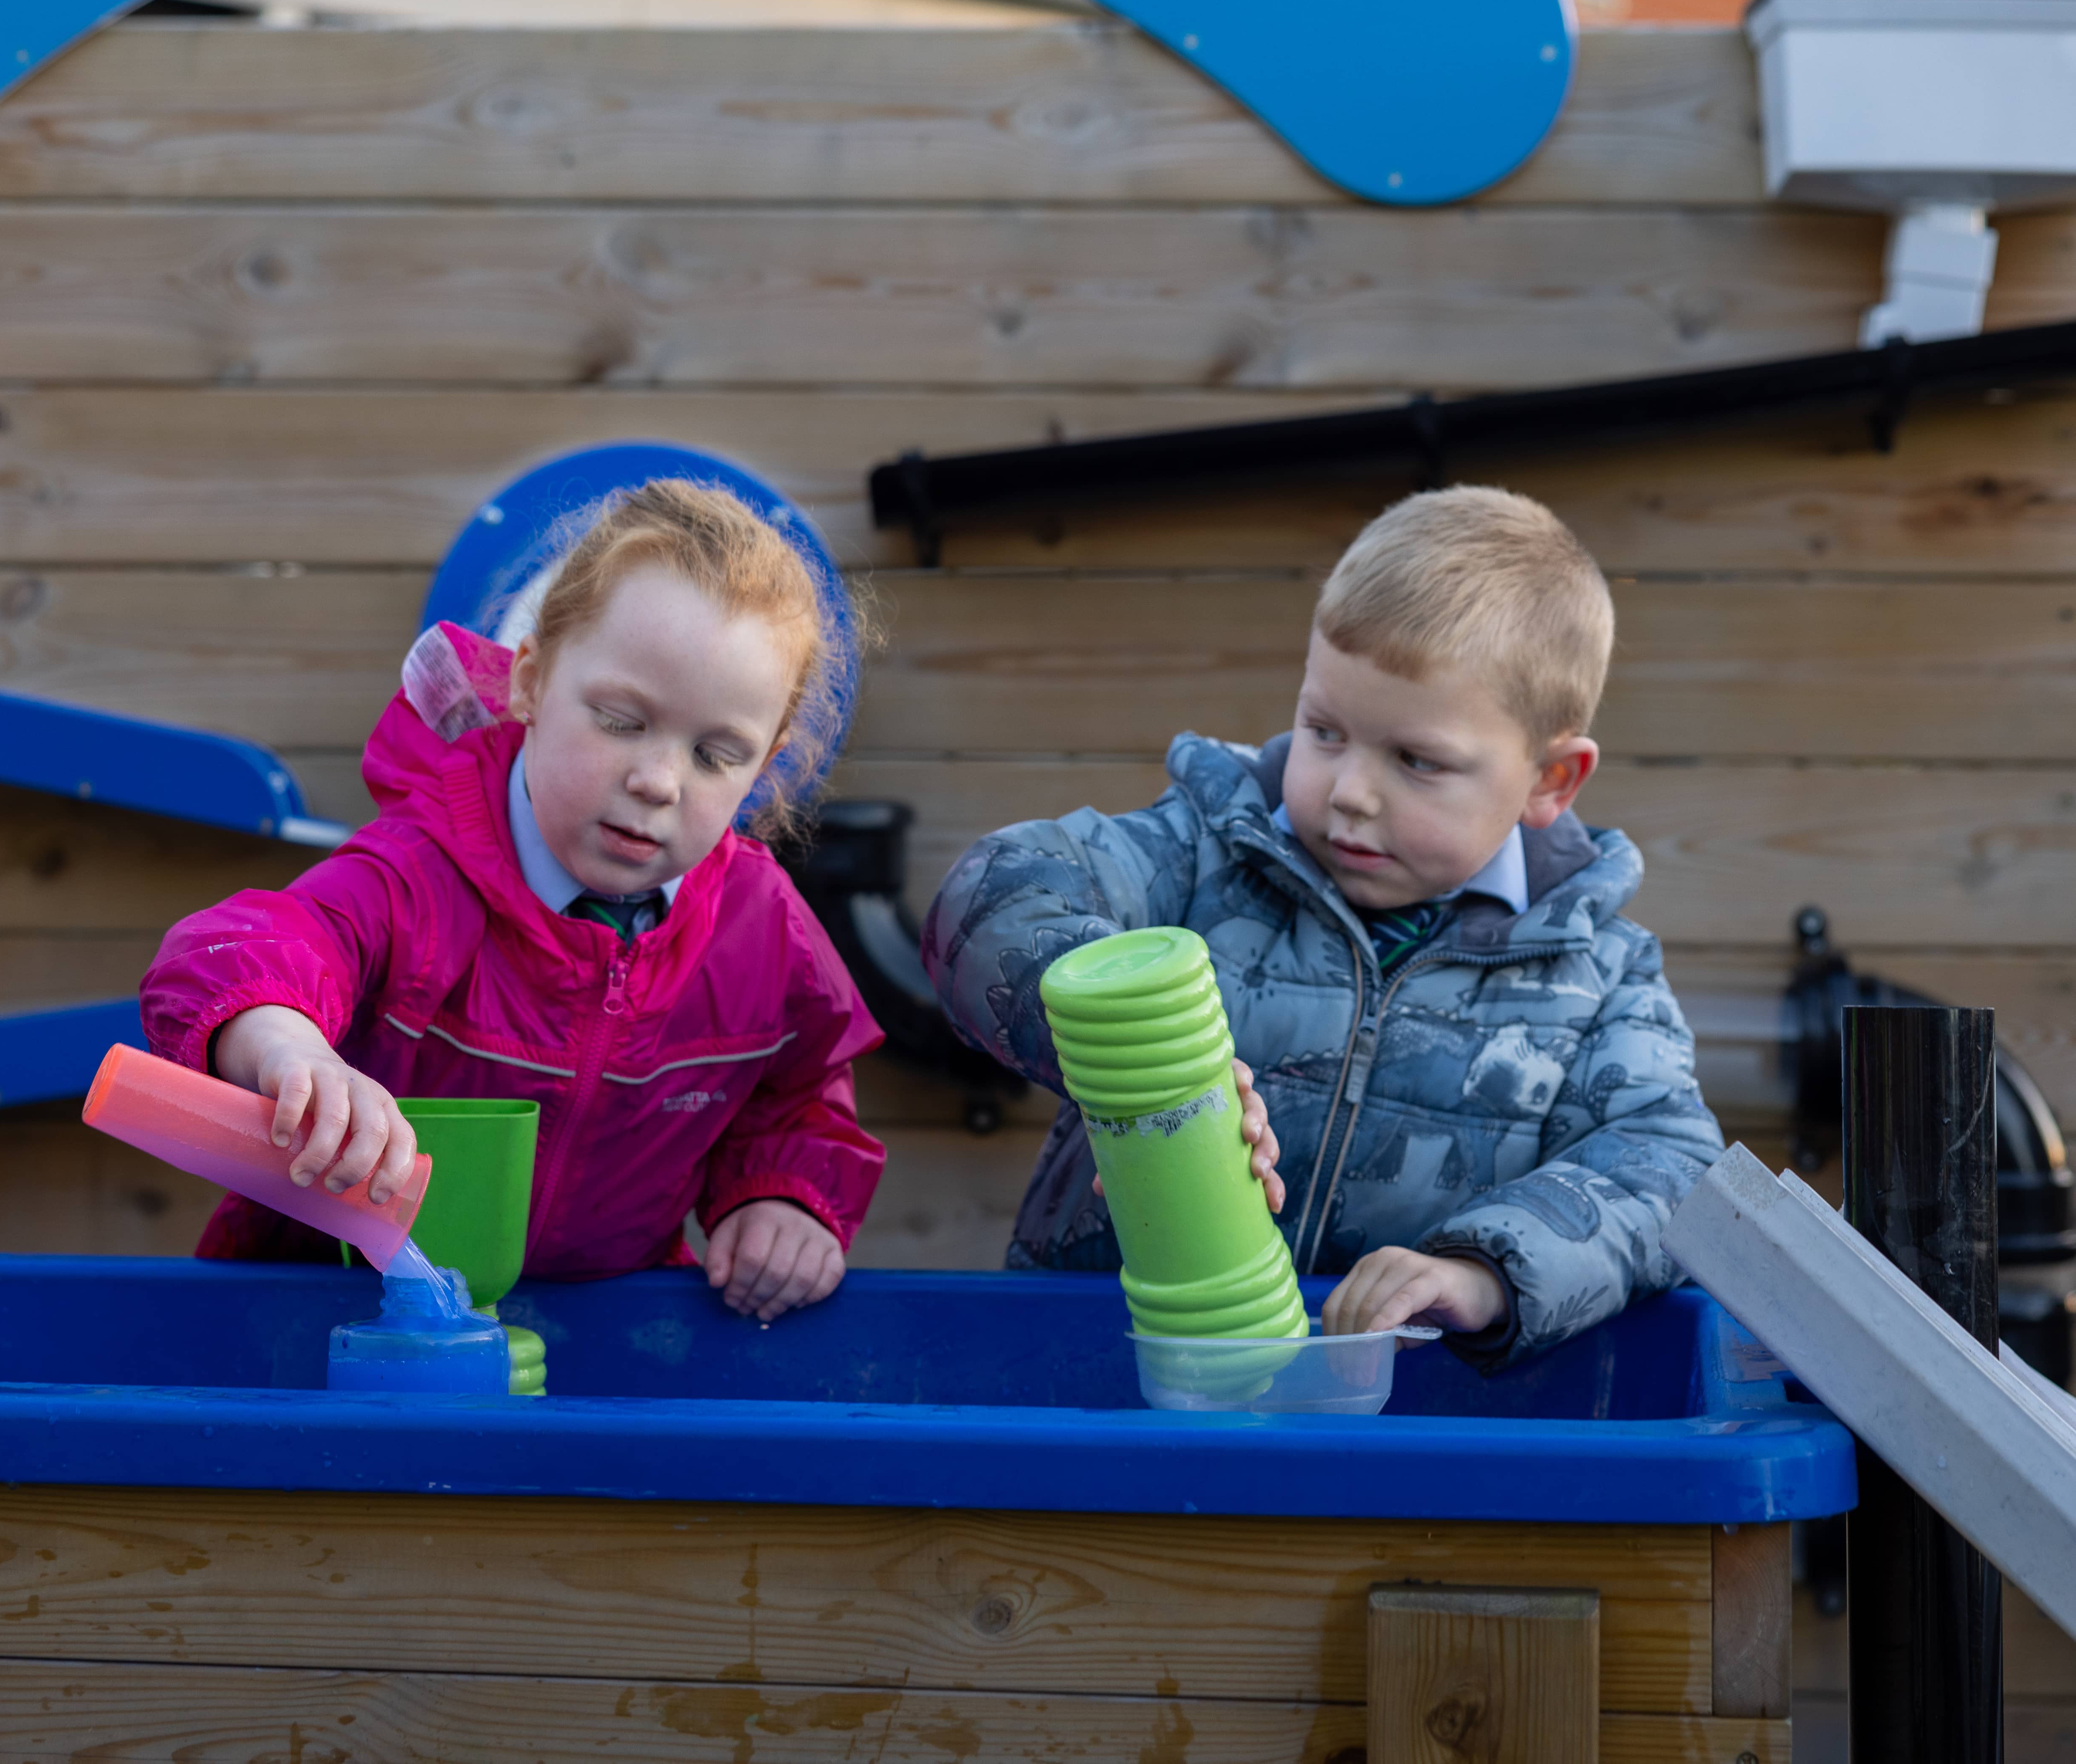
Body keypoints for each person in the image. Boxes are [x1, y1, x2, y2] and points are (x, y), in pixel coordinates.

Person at [922, 485, 1723, 1370]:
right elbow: (990, 895)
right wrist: (1135, 1063)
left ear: (1552, 781)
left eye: (1417, 760)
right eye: (1324, 730)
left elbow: (1668, 1168)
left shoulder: (1597, 974)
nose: (1349, 791)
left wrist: (1486, 1269)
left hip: (1400, 1437)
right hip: (1109, 1381)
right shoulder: (1204, 850)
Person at [141, 479, 886, 1323]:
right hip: (326, 1318)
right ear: (529, 682)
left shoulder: (762, 925)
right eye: (620, 720)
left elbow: (800, 1090)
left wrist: (781, 1198)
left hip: (599, 1335)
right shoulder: (421, 870)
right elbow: (260, 944)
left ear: (769, 762)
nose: (657, 781)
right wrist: (288, 1049)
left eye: (718, 755)